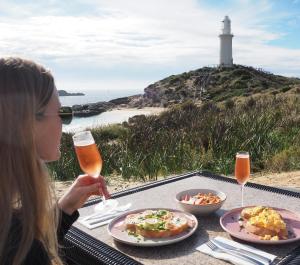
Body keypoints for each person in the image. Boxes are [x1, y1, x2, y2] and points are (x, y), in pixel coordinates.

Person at [0, 57, 110, 265]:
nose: (65, 122)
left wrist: (64, 209)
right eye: (62, 113)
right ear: (28, 123)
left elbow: (38, 246)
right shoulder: (16, 247)